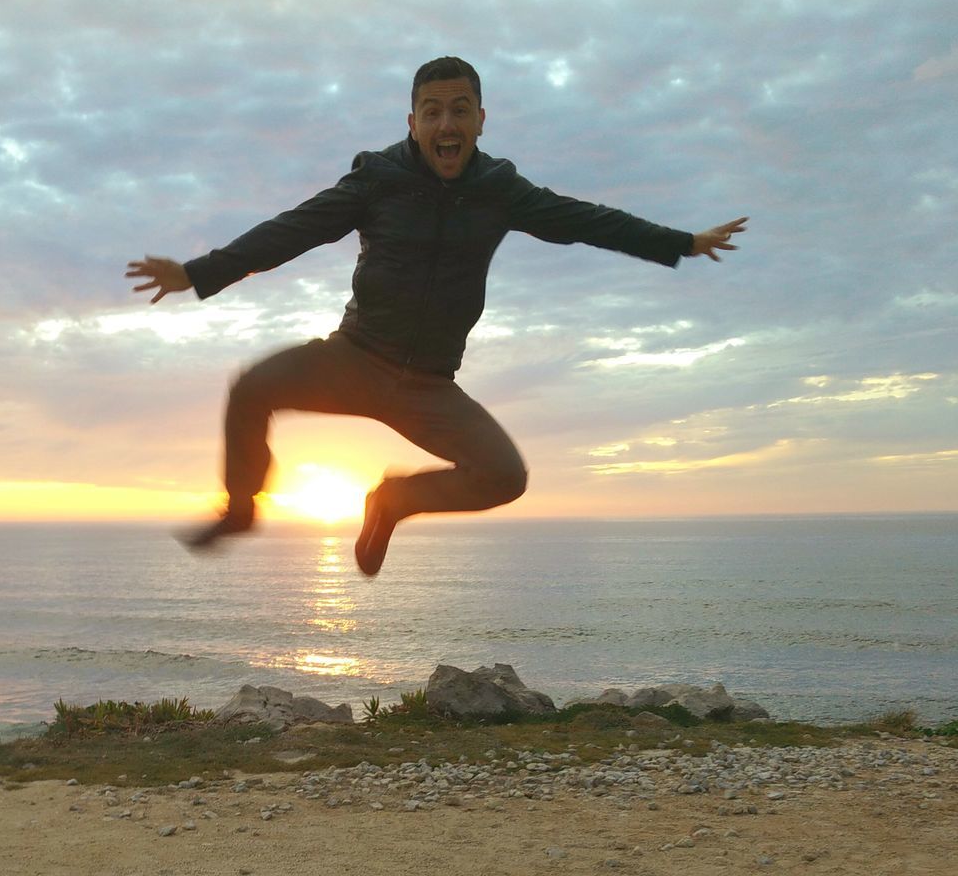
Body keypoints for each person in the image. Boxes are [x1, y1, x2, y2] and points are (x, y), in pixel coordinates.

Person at [127, 56, 746, 576]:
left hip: (428, 384)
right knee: (252, 387)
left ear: (480, 120)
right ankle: (240, 509)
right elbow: (295, 229)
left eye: (459, 110)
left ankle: (394, 500)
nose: (445, 123)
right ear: (413, 123)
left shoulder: (501, 189)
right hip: (354, 359)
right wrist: (200, 272)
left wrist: (680, 241)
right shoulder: (379, 179)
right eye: (432, 111)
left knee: (504, 476)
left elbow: (586, 219)